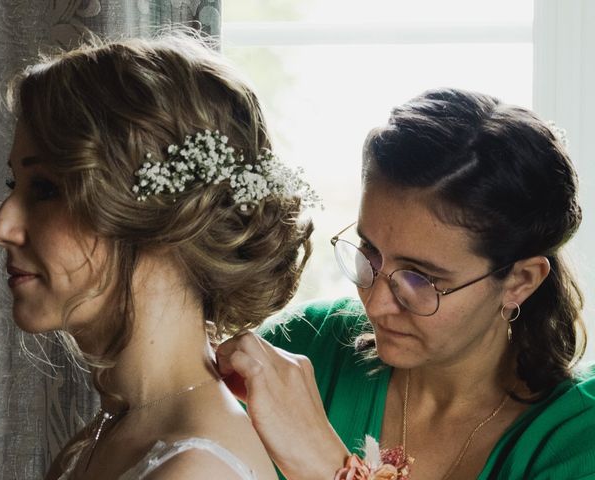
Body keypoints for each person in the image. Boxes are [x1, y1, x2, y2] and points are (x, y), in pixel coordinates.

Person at [217, 88, 595, 480]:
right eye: (370, 252)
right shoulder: (303, 346)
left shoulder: (580, 440)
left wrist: (323, 464)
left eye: (421, 278)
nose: (376, 304)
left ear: (520, 281)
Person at [0, 33, 316, 480]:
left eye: (45, 189)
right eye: (15, 187)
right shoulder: (106, 433)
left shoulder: (193, 470)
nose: (0, 229)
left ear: (160, 220)